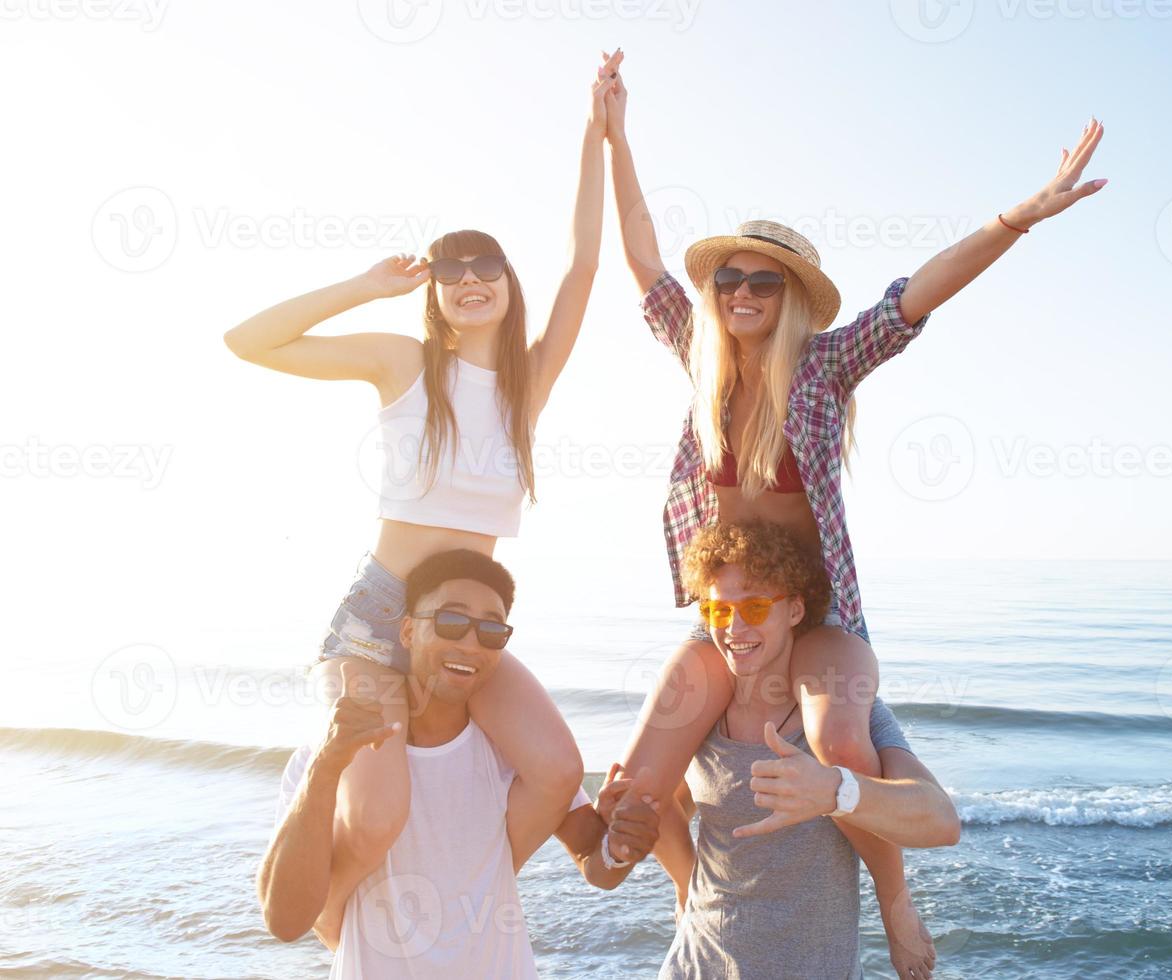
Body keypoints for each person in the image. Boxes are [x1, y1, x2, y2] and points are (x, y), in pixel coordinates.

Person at [600, 54, 1107, 975]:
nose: (742, 293)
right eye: (729, 281)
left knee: (839, 745)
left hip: (819, 619)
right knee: (643, 769)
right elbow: (639, 253)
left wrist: (1018, 217)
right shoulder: (695, 353)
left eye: (762, 281)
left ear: (790, 295)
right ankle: (688, 892)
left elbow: (920, 290)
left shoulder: (829, 364)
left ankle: (897, 903)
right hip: (735, 615)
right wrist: (616, 136)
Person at [229, 51, 628, 924]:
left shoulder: (527, 386)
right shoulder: (404, 366)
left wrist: (601, 135)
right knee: (373, 820)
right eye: (450, 272)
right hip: (378, 622)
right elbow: (247, 340)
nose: (469, 279)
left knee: (559, 769)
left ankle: (466, 898)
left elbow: (584, 266)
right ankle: (335, 920)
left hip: (467, 628)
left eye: (485, 266)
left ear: (507, 285)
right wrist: (365, 286)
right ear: (436, 297)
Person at [260, 549, 664, 976]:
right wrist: (325, 770)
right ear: (408, 631)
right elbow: (285, 921)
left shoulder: (513, 754)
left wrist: (621, 847)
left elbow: (595, 863)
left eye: (491, 630)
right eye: (451, 622)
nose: (470, 644)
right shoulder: (334, 758)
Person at [602, 521, 960, 979]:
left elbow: (942, 820)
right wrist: (680, 878)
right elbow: (667, 805)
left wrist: (836, 792)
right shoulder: (704, 711)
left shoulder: (846, 709)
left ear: (794, 609)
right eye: (716, 610)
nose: (733, 627)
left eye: (753, 607)